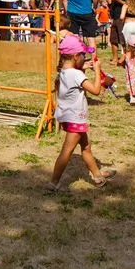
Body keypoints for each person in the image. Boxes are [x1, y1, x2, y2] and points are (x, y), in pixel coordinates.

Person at [47, 35, 113, 190]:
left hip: (68, 116)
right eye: (83, 55)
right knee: (67, 151)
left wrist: (85, 65)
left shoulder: (64, 71)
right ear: (76, 56)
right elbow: (96, 90)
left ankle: (97, 177)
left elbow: (73, 71)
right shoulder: (77, 75)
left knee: (86, 147)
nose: (85, 57)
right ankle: (53, 183)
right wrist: (97, 71)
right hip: (75, 118)